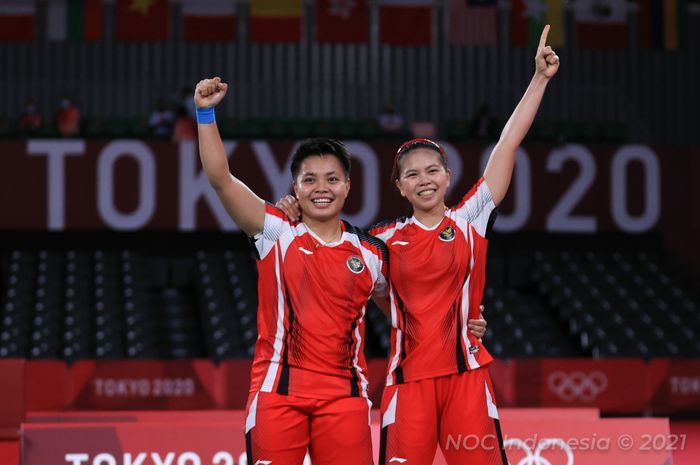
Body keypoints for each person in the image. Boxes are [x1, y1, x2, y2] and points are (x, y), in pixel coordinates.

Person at [277, 25, 559, 464]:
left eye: (432, 170)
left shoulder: (471, 219)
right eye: (412, 174)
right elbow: (341, 264)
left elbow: (507, 143)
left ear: (447, 175)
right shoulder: (382, 242)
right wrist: (290, 212)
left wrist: (538, 79)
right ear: (400, 187)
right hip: (407, 384)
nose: (424, 179)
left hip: (467, 378)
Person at [196, 77, 385, 465]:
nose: (322, 188)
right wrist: (205, 113)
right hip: (277, 394)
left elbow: (408, 307)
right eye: (309, 179)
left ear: (347, 186)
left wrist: (472, 322)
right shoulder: (275, 231)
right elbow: (220, 178)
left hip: (345, 398)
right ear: (295, 188)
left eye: (332, 179)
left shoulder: (371, 253)